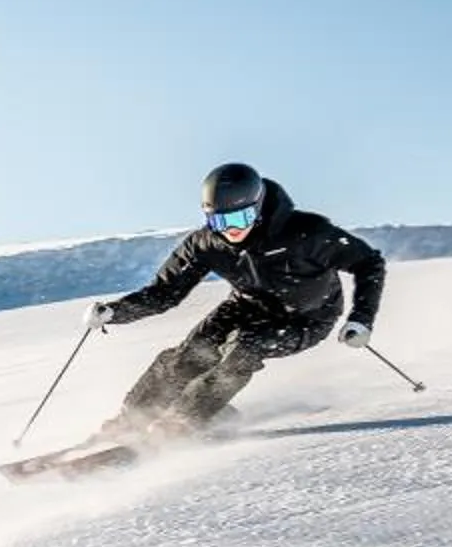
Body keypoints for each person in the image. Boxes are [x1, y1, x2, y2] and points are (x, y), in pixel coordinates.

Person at [91, 162, 387, 436]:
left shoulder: (306, 234)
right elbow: (164, 292)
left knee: (244, 348)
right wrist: (115, 312)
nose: (231, 229)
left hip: (307, 318)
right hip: (245, 306)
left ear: (257, 208)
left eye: (240, 217)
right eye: (219, 220)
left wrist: (361, 319)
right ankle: (134, 418)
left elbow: (369, 263)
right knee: (192, 355)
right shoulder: (205, 243)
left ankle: (185, 420)